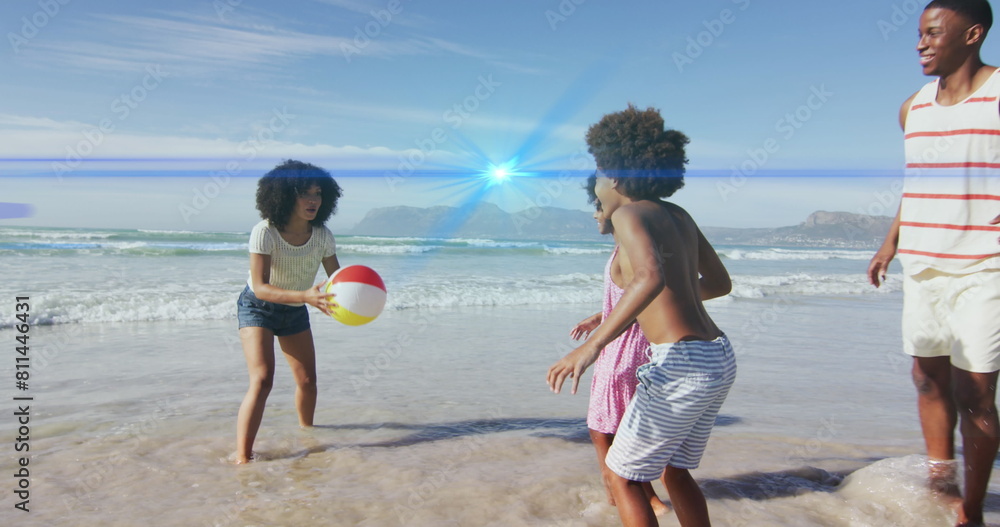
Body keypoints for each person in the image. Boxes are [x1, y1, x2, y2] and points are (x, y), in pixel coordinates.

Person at [548, 104, 734, 527]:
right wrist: (673, 301)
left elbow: (648, 276)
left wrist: (591, 347)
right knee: (674, 469)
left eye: (597, 174)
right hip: (718, 357)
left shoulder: (628, 214)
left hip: (681, 363)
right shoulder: (680, 215)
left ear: (614, 176)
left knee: (622, 474)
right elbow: (720, 283)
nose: (595, 185)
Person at [867, 1, 1000, 525]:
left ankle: (972, 508)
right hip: (922, 264)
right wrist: (890, 242)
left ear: (973, 34)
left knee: (976, 390)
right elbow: (920, 180)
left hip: (987, 266)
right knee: (925, 377)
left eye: (932, 33)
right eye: (918, 34)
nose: (920, 43)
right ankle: (940, 483)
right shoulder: (912, 108)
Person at [571, 174, 670, 516]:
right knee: (612, 426)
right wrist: (601, 314)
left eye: (599, 206)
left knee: (605, 428)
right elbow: (632, 295)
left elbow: (643, 294)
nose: (597, 214)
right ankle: (621, 491)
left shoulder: (627, 247)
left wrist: (598, 339)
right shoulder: (627, 247)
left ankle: (644, 498)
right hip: (624, 343)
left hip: (623, 348)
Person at [234, 160, 343, 464]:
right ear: (284, 195)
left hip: (296, 308)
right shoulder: (265, 232)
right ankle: (243, 457)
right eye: (304, 194)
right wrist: (307, 296)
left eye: (318, 194)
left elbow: (339, 281)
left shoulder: (322, 235)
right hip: (259, 307)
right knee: (263, 379)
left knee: (308, 381)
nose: (313, 201)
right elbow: (260, 287)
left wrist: (357, 300)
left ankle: (308, 435)